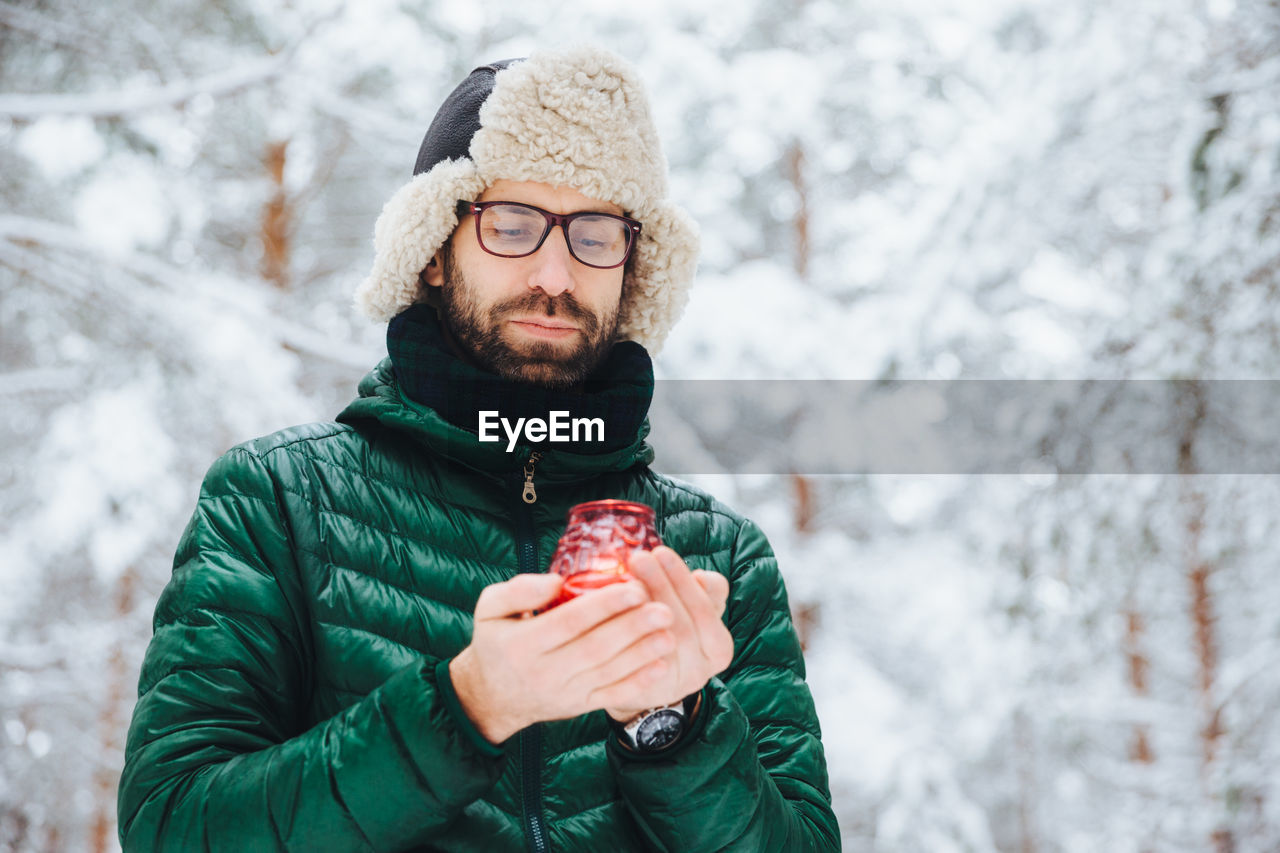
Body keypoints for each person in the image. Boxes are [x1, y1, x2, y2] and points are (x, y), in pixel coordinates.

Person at [118, 46, 839, 852]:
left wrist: (673, 729)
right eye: (512, 225)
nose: (557, 273)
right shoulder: (279, 502)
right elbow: (173, 828)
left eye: (597, 232)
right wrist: (465, 706)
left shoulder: (717, 558)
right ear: (433, 248)